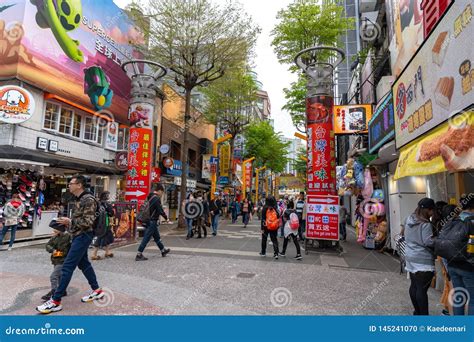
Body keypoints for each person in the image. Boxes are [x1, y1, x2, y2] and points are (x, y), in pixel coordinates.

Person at [36, 175, 105, 314]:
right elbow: (82, 220)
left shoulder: (88, 200)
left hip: (83, 236)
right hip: (79, 235)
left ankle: (56, 301)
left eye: (71, 183)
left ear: (79, 185)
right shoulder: (81, 199)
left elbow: (87, 222)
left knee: (67, 267)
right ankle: (97, 290)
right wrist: (68, 222)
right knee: (84, 264)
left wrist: (70, 222)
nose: (69, 186)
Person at [441, 201, 474, 315]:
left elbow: (444, 245)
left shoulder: (452, 221)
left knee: (459, 296)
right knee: (473, 300)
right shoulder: (471, 221)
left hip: (453, 265)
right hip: (468, 267)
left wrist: (447, 267)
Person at [405, 197, 436, 315]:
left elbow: (404, 234)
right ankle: (423, 317)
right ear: (428, 210)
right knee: (422, 290)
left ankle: (417, 312)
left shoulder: (408, 219)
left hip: (410, 257)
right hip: (423, 260)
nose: (433, 213)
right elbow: (428, 242)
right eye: (432, 210)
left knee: (414, 286)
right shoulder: (425, 224)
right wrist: (438, 240)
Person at [136, 184, 170, 260]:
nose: (162, 194)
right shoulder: (156, 198)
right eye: (162, 192)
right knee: (146, 238)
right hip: (152, 221)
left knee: (157, 237)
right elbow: (160, 210)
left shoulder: (150, 196)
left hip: (150, 220)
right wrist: (166, 217)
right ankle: (139, 254)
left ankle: (163, 250)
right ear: (159, 191)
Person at [41, 223, 71, 301]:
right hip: (56, 260)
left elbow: (70, 249)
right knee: (60, 276)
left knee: (53, 276)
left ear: (60, 229)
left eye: (55, 228)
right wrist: (53, 250)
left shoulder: (68, 237)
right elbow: (48, 245)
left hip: (63, 260)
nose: (53, 230)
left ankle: (54, 292)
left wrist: (61, 253)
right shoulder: (55, 237)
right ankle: (63, 291)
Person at [91, 191, 115, 260]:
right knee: (101, 236)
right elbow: (111, 213)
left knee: (108, 235)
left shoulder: (97, 203)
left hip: (98, 223)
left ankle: (107, 251)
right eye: (108, 195)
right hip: (105, 223)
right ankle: (94, 254)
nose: (109, 196)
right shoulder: (107, 203)